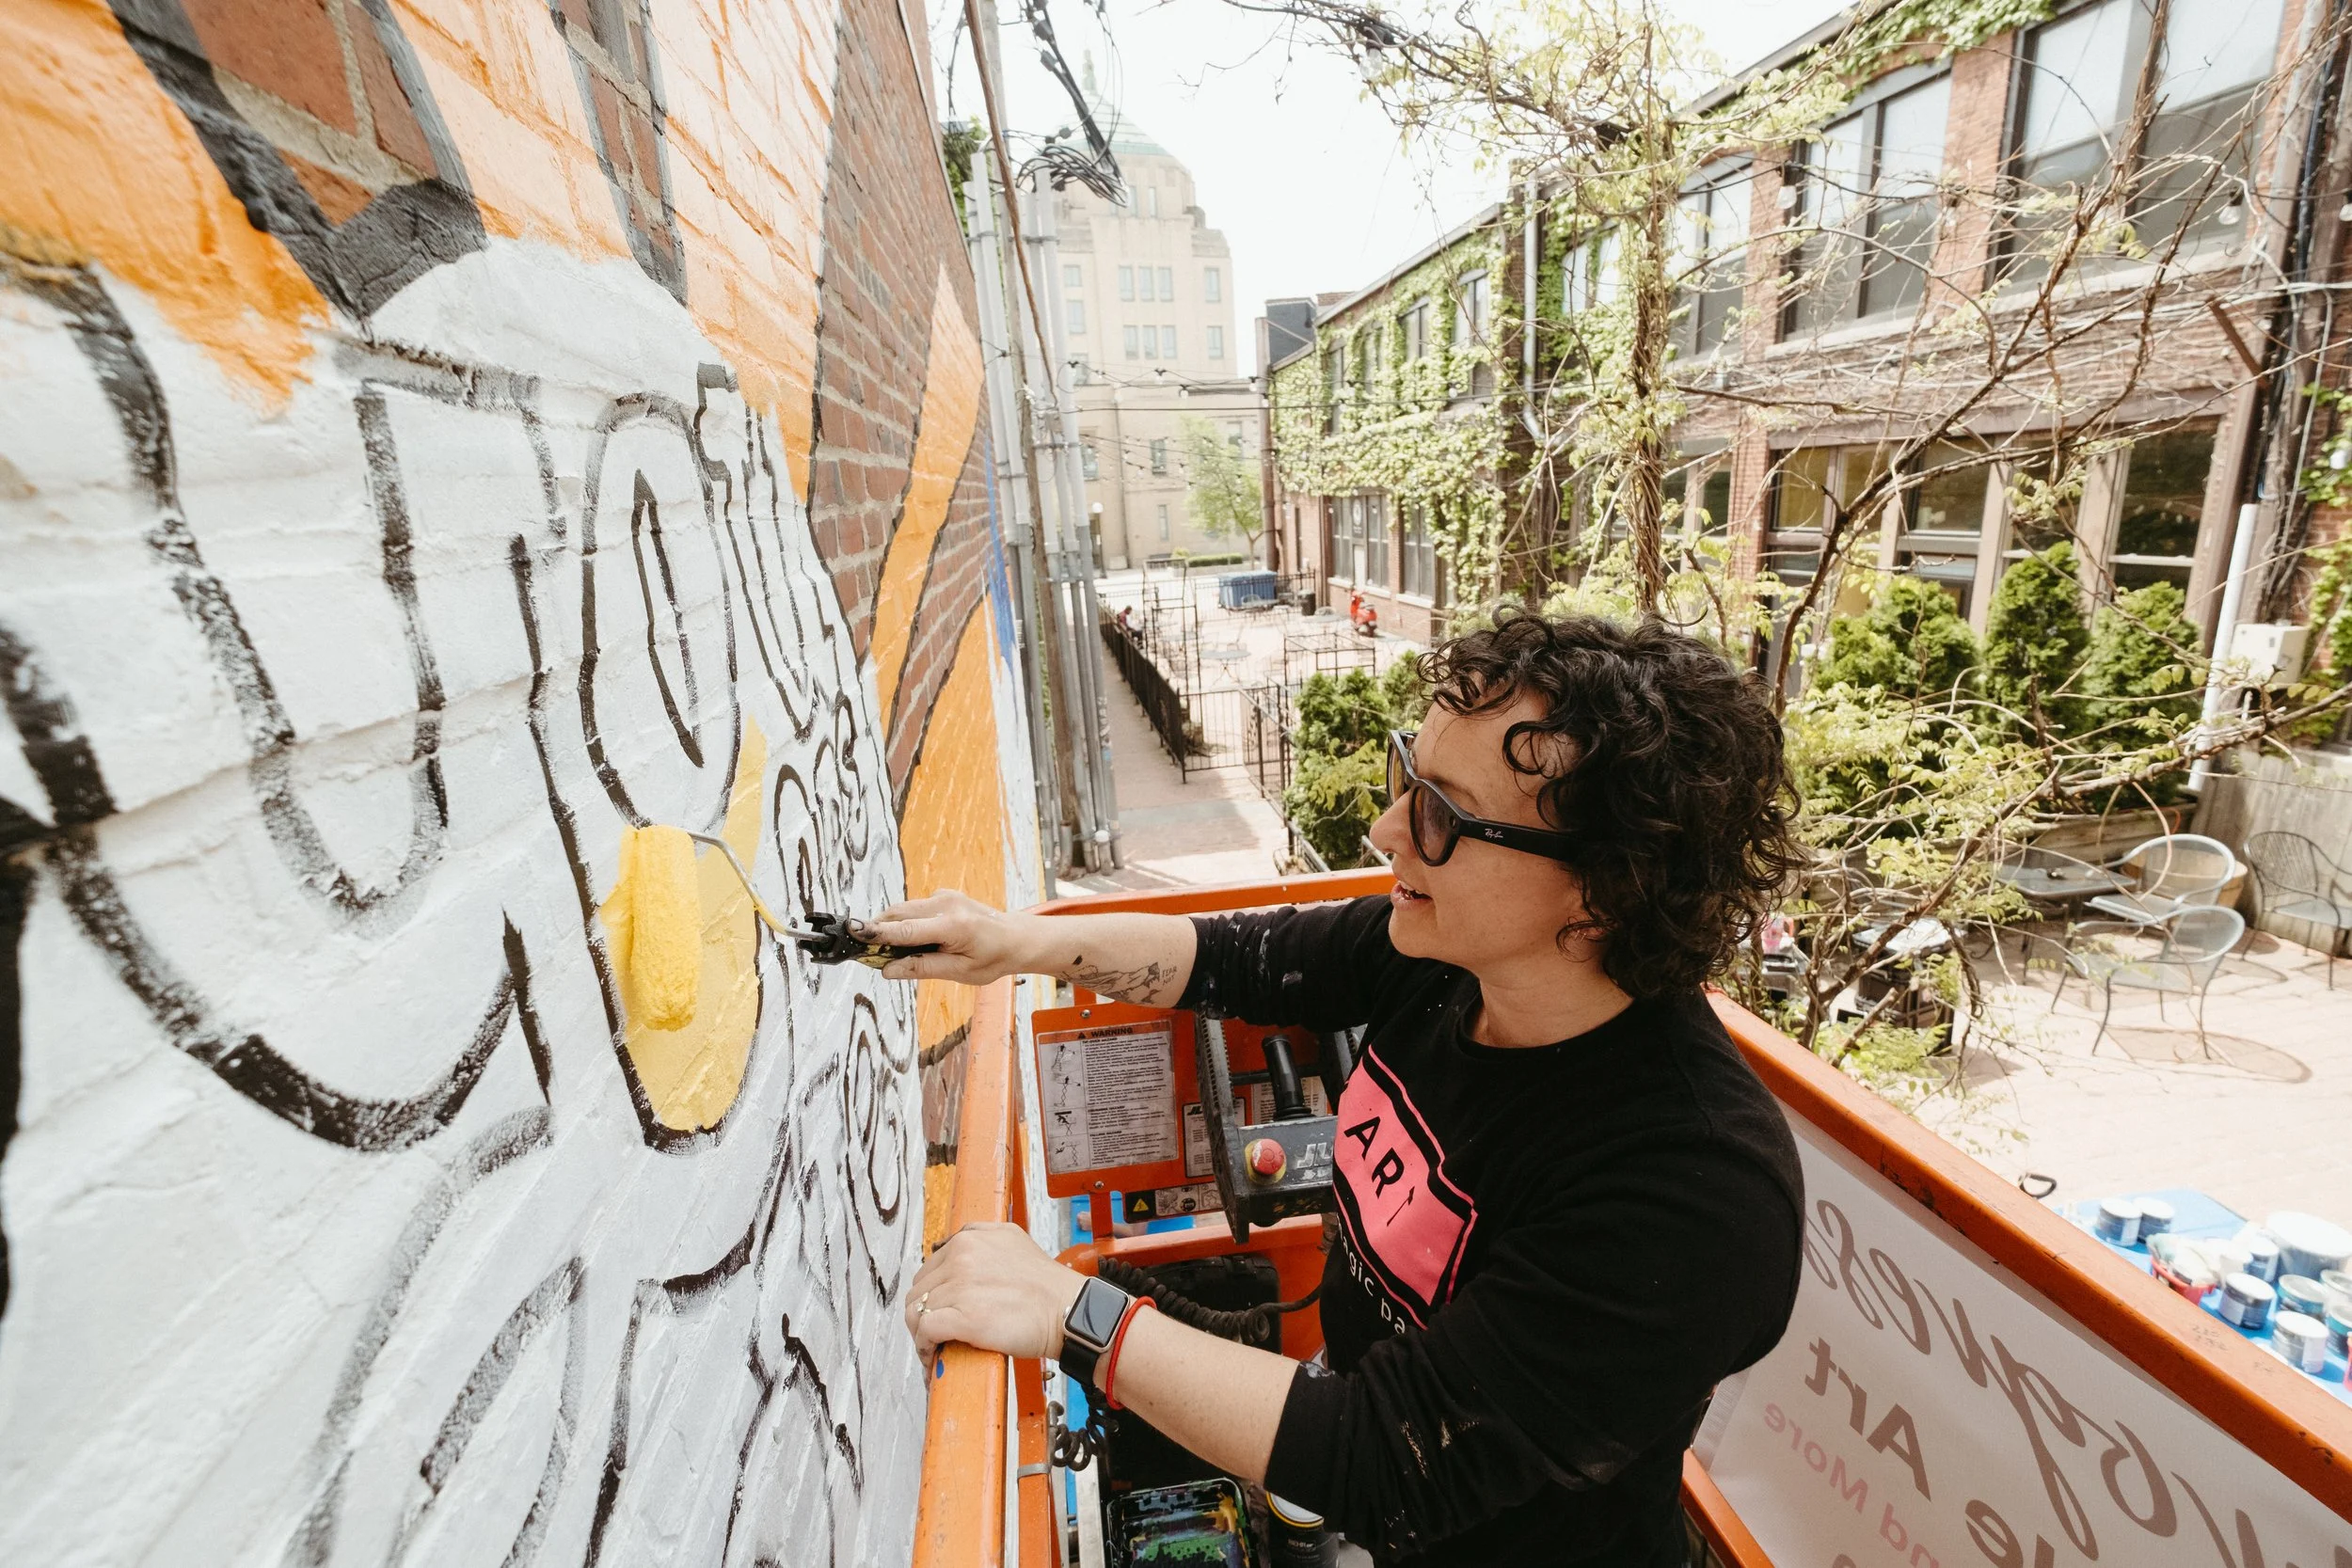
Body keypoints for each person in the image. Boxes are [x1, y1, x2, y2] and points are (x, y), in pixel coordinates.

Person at [873, 610, 1809, 1567]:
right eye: (1411, 775)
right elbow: (1234, 957)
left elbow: (1386, 1457)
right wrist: (1015, 942)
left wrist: (1067, 1309)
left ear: (1605, 888)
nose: (1386, 827)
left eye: (1442, 812)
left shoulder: (1693, 1192)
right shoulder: (1446, 959)